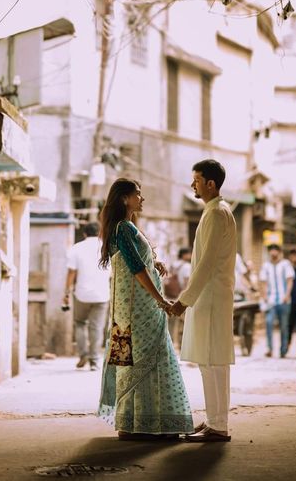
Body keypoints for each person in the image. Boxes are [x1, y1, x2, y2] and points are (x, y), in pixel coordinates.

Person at [97, 178, 193, 440]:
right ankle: (136, 424)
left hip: (130, 310)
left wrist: (156, 262)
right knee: (139, 360)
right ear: (124, 198)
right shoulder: (123, 228)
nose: (142, 198)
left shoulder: (127, 228)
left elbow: (141, 262)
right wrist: (160, 300)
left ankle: (143, 422)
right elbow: (136, 268)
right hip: (135, 311)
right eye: (137, 194)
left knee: (138, 360)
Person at [170, 159, 236, 443]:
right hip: (212, 296)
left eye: (196, 179)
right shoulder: (219, 211)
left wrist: (183, 301)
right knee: (213, 362)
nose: (193, 185)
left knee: (211, 362)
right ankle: (214, 421)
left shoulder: (215, 214)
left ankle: (218, 425)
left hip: (209, 297)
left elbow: (205, 264)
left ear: (210, 183)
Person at [63, 221, 110, 371]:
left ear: (84, 234)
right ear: (100, 233)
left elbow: (71, 272)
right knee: (96, 327)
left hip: (82, 294)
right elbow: (113, 273)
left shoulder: (77, 248)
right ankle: (94, 360)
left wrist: (66, 292)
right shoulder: (107, 248)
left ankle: (83, 354)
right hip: (102, 294)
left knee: (80, 323)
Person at [259, 244, 295, 358]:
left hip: (284, 300)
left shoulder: (286, 264)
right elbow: (263, 282)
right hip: (271, 300)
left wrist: (287, 295)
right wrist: (264, 296)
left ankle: (283, 350)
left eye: (275, 250)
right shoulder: (265, 266)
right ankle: (269, 349)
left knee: (284, 326)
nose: (273, 253)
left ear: (279, 252)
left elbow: (290, 281)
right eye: (271, 250)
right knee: (269, 323)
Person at [165, 248, 192, 349]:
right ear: (184, 255)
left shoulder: (173, 265)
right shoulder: (186, 266)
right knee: (183, 322)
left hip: (170, 296)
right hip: (180, 296)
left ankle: (170, 342)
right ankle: (182, 344)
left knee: (171, 321)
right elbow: (187, 282)